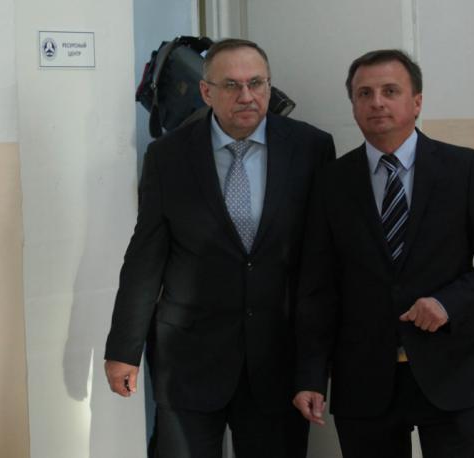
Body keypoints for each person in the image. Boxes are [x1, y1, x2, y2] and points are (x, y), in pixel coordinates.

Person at [104, 38, 335, 458]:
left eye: (256, 83)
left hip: (277, 360)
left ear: (269, 87)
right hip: (188, 358)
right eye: (231, 85)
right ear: (206, 91)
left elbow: (317, 269)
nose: (246, 96)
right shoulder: (168, 156)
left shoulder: (311, 148)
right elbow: (144, 260)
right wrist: (124, 350)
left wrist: (313, 370)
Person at [292, 49, 474, 458]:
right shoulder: (331, 182)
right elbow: (317, 288)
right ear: (354, 106)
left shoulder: (462, 169)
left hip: (449, 373)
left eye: (390, 91)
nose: (377, 102)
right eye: (365, 93)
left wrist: (447, 303)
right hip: (362, 379)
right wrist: (310, 375)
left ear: (416, 101)